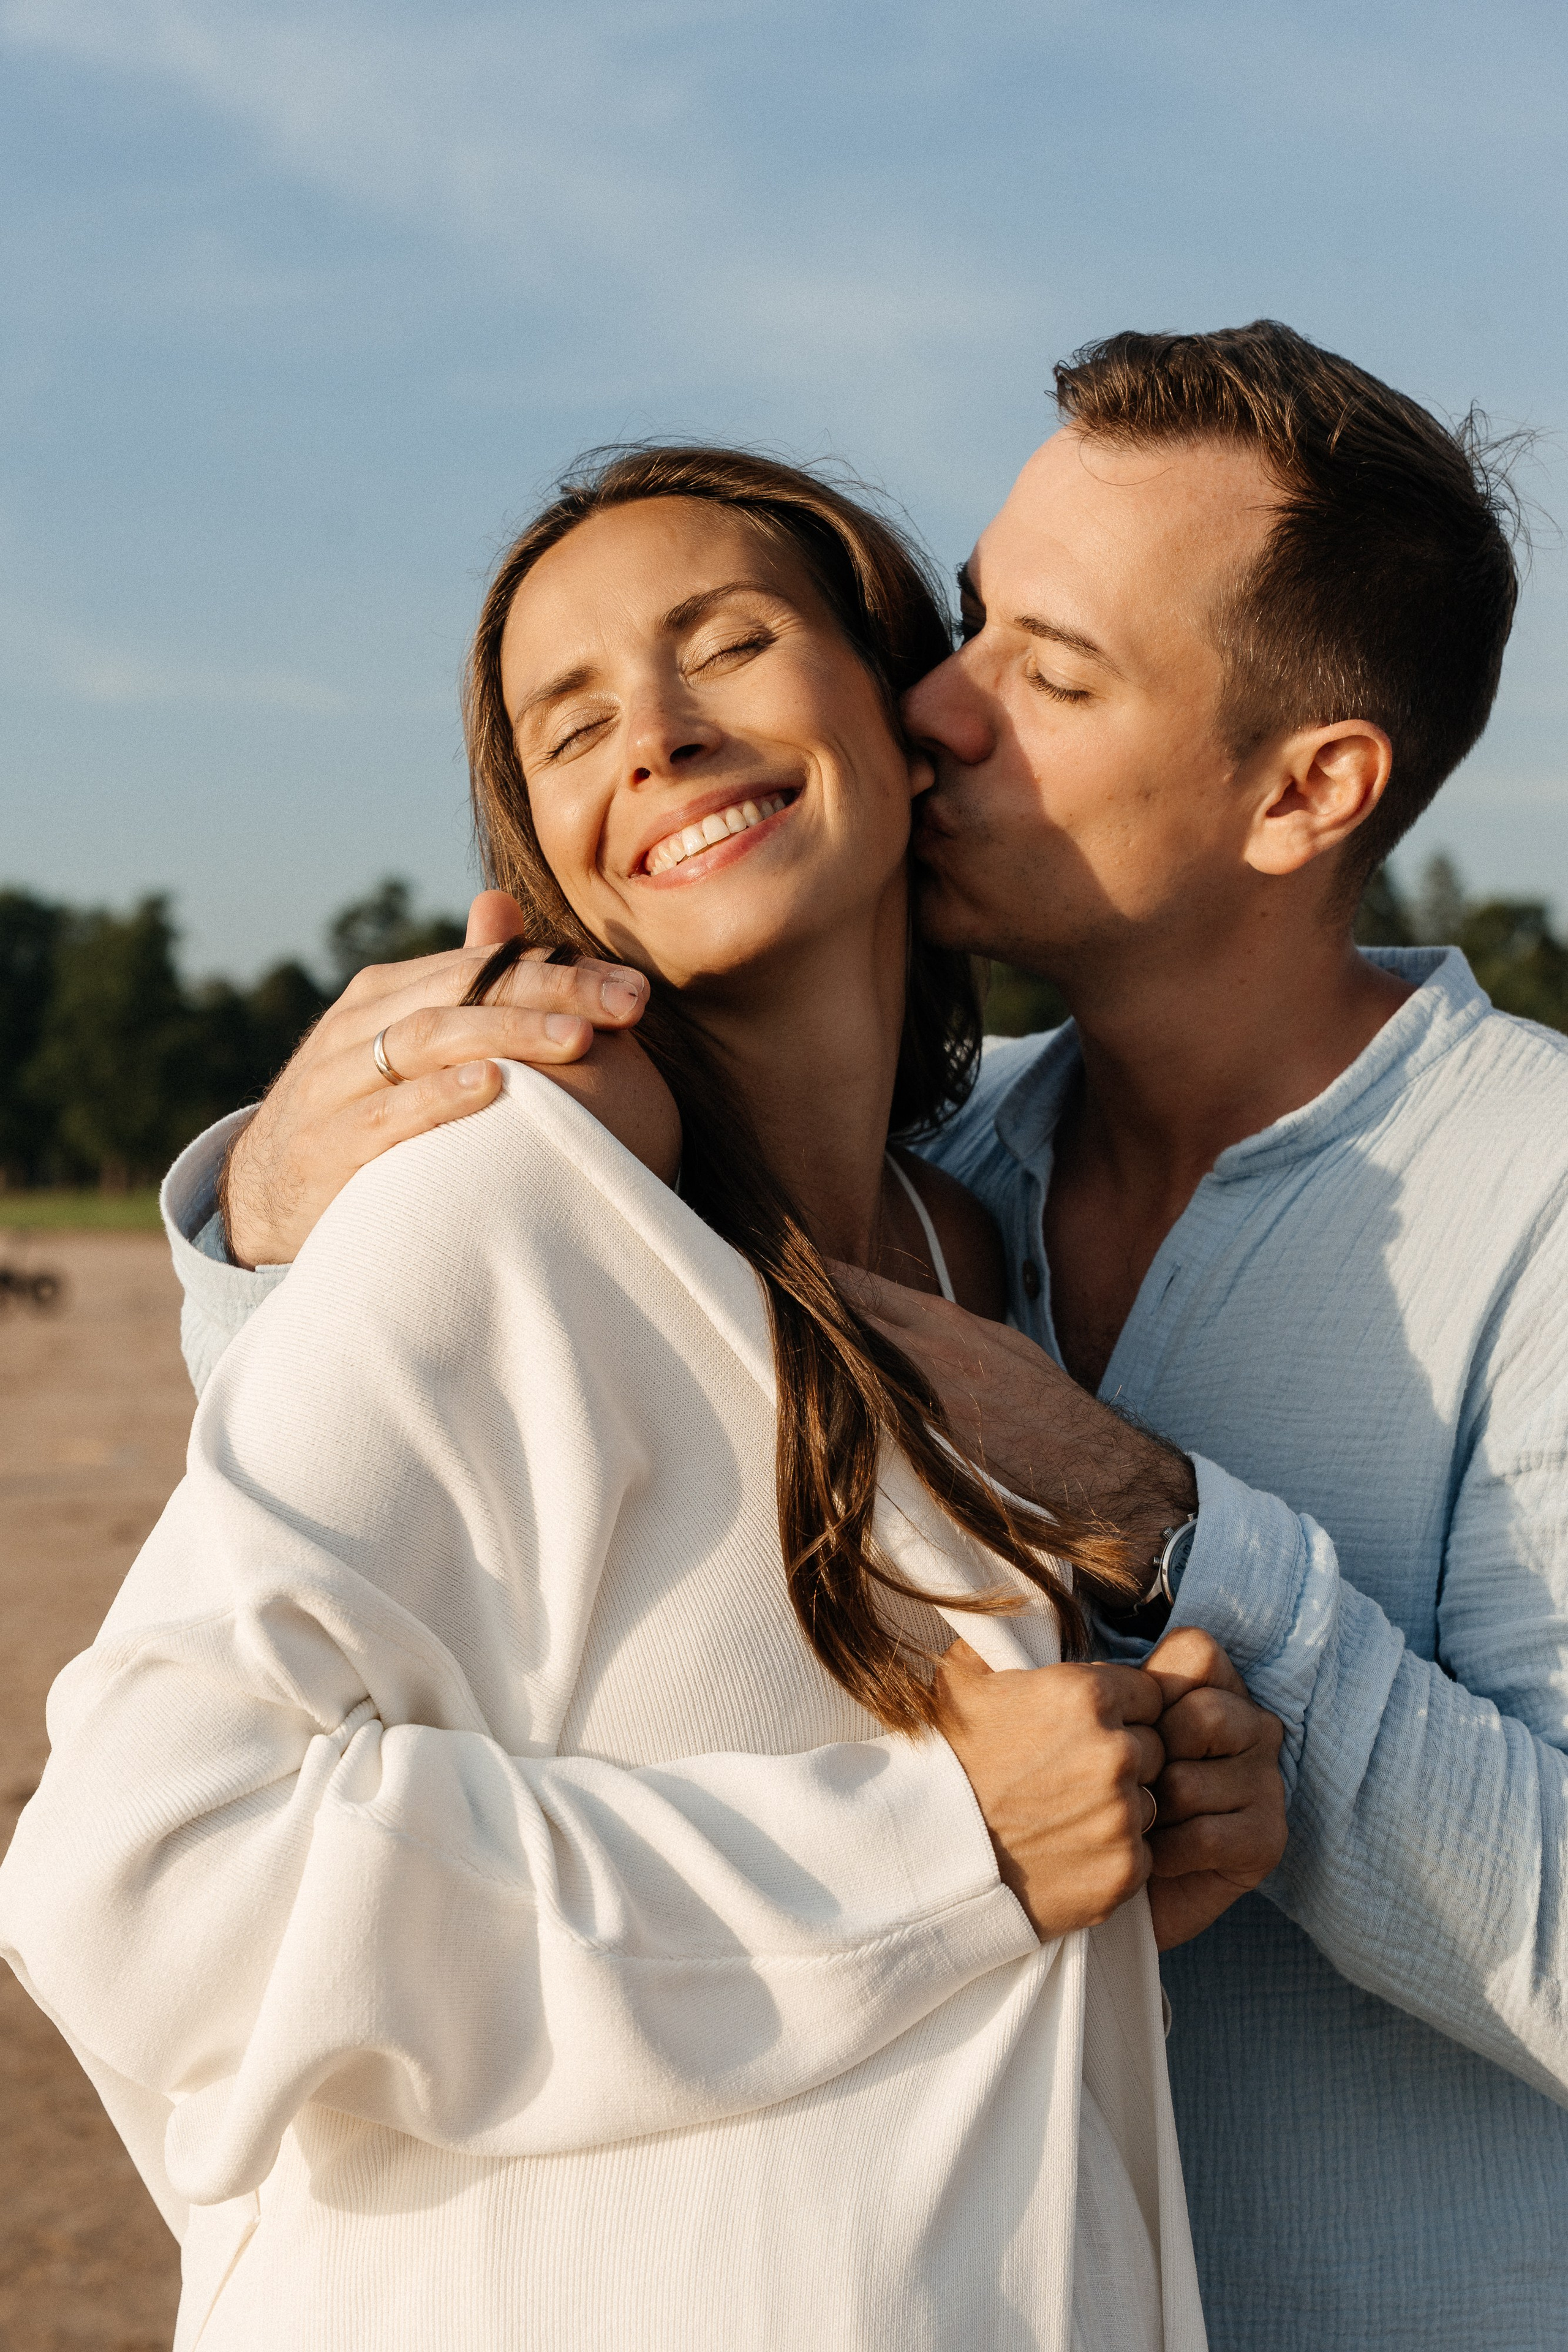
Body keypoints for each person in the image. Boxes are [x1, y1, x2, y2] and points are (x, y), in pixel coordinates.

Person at [153, 322, 1568, 2352]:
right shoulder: (925, 1191)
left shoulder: (1545, 1197)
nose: (938, 705)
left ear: (1307, 789)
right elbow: (425, 1584)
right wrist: (272, 1240)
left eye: (1051, 674)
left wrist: (1180, 1538)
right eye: (976, 621)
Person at [0, 447, 1288, 2351]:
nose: (663, 738)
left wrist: (1135, 1855)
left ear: (906, 711)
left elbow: (800, 1924)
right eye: (572, 721)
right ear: (537, 850)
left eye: (732, 644)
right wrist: (940, 1848)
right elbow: (143, 1870)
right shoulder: (501, 1199)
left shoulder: (991, 1265)